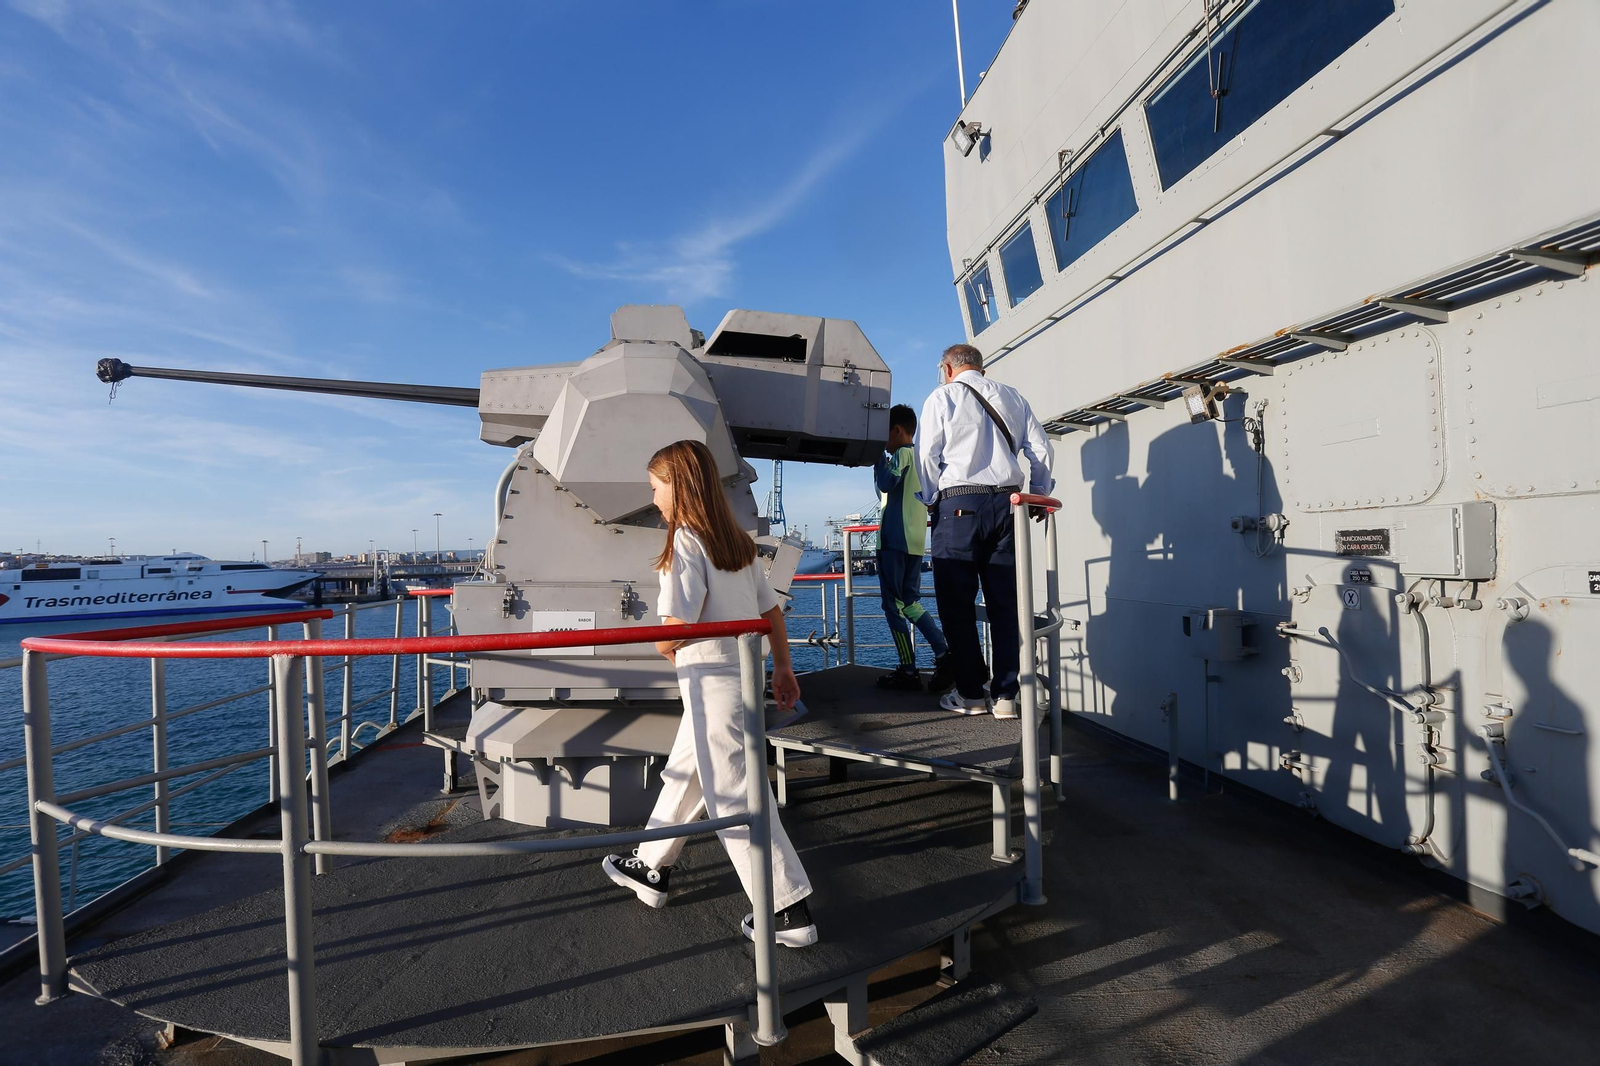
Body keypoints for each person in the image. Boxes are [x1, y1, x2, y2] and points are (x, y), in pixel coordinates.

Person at [601, 439, 817, 948]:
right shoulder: (737, 544)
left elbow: (675, 626)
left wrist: (660, 645)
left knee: (734, 797)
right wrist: (783, 668)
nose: (653, 500)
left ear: (678, 486)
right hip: (739, 677)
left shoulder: (686, 545)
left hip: (707, 683)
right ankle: (650, 866)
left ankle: (787, 910)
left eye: (656, 488)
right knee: (689, 771)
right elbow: (771, 614)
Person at [915, 343, 1054, 720]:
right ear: (982, 368)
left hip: (959, 505)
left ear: (947, 368)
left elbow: (926, 455)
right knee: (1005, 603)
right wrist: (1039, 494)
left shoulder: (941, 398)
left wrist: (931, 499)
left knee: (956, 605)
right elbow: (1040, 448)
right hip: (1009, 505)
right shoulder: (1012, 396)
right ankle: (1006, 696)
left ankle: (972, 693)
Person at [873, 403, 954, 692]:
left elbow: (886, 483)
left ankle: (908, 670)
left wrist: (875, 457)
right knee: (910, 602)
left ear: (897, 431)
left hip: (894, 539)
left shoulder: (904, 454)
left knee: (892, 606)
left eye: (884, 434)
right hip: (916, 541)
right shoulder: (922, 458)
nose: (882, 441)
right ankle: (944, 653)